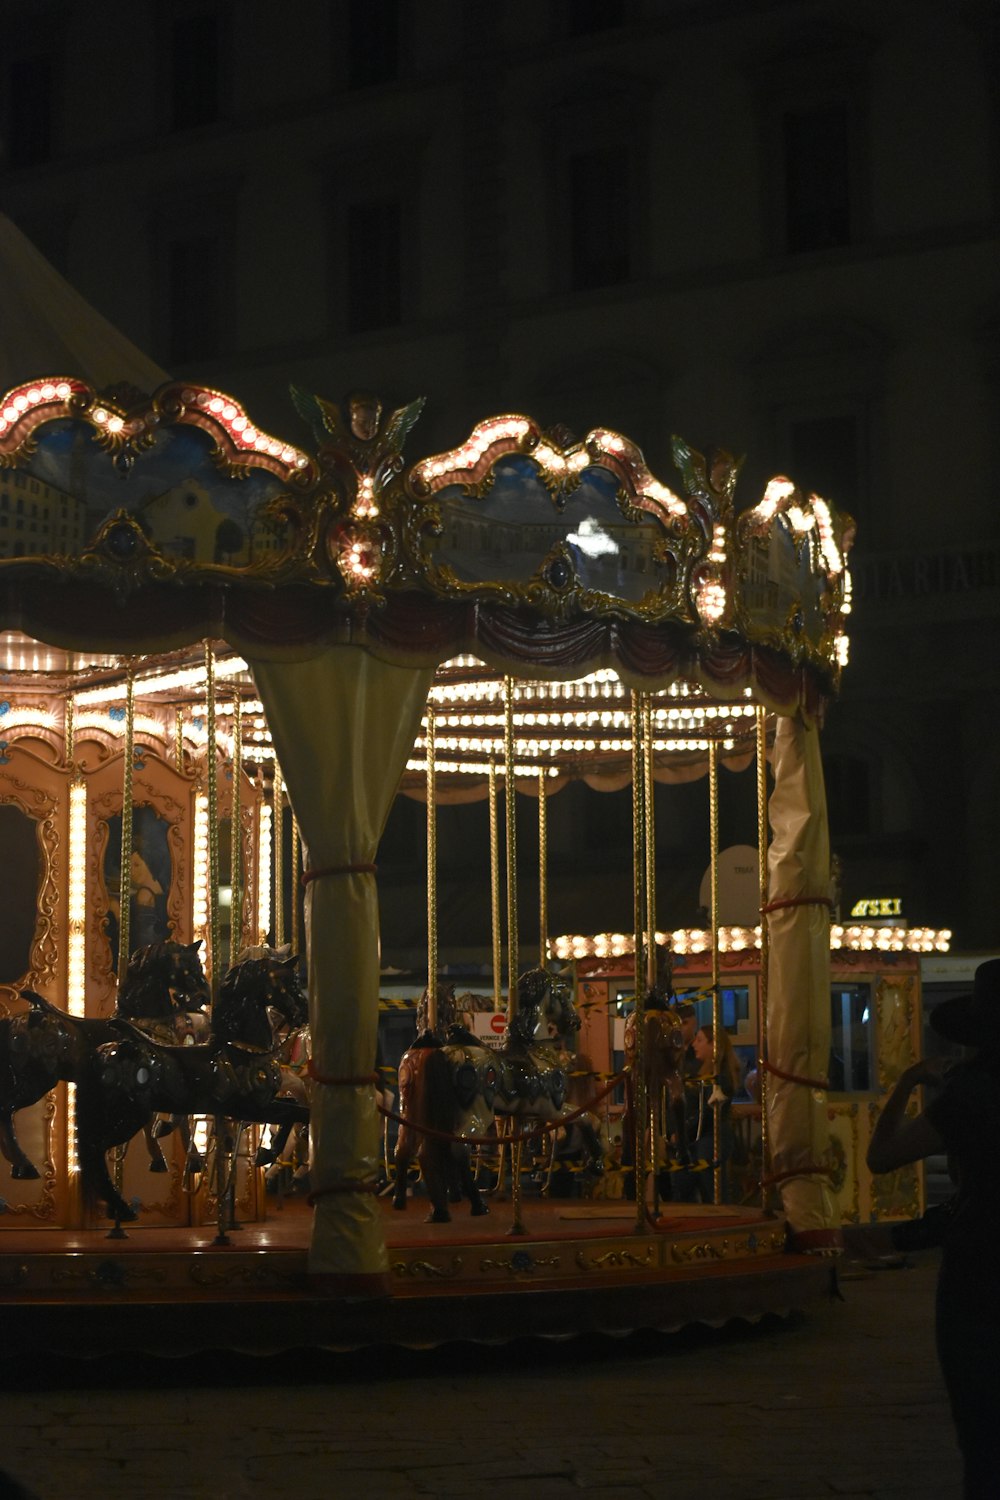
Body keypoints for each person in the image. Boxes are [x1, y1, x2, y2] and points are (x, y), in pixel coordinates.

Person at [866, 957, 1000, 1499]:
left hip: (978, 1268)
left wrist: (905, 1084)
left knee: (982, 1428)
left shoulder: (968, 1097)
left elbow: (881, 1158)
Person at [685, 1021, 739, 1202]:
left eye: (700, 1040)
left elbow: (707, 1112)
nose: (694, 1044)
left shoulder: (720, 1078)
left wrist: (686, 1130)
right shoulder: (699, 1072)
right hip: (701, 1134)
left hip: (711, 1135)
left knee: (712, 1187)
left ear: (713, 1045)